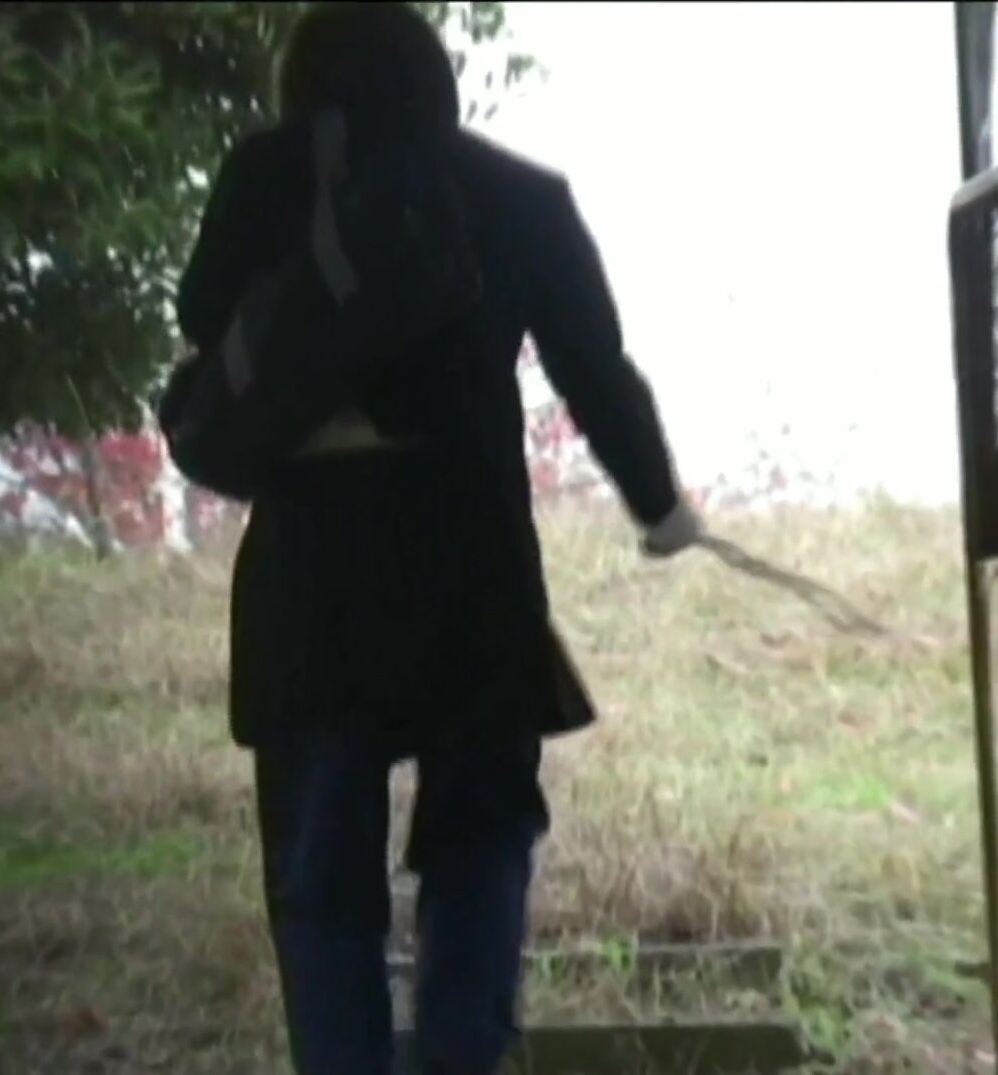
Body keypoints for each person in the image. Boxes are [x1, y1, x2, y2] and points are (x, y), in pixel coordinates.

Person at [173, 4, 703, 1073]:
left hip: (310, 568)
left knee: (319, 874)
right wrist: (659, 507)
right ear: (435, 77)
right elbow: (595, 371)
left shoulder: (262, 176)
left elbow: (201, 319)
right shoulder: (517, 194)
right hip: (467, 562)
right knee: (478, 842)